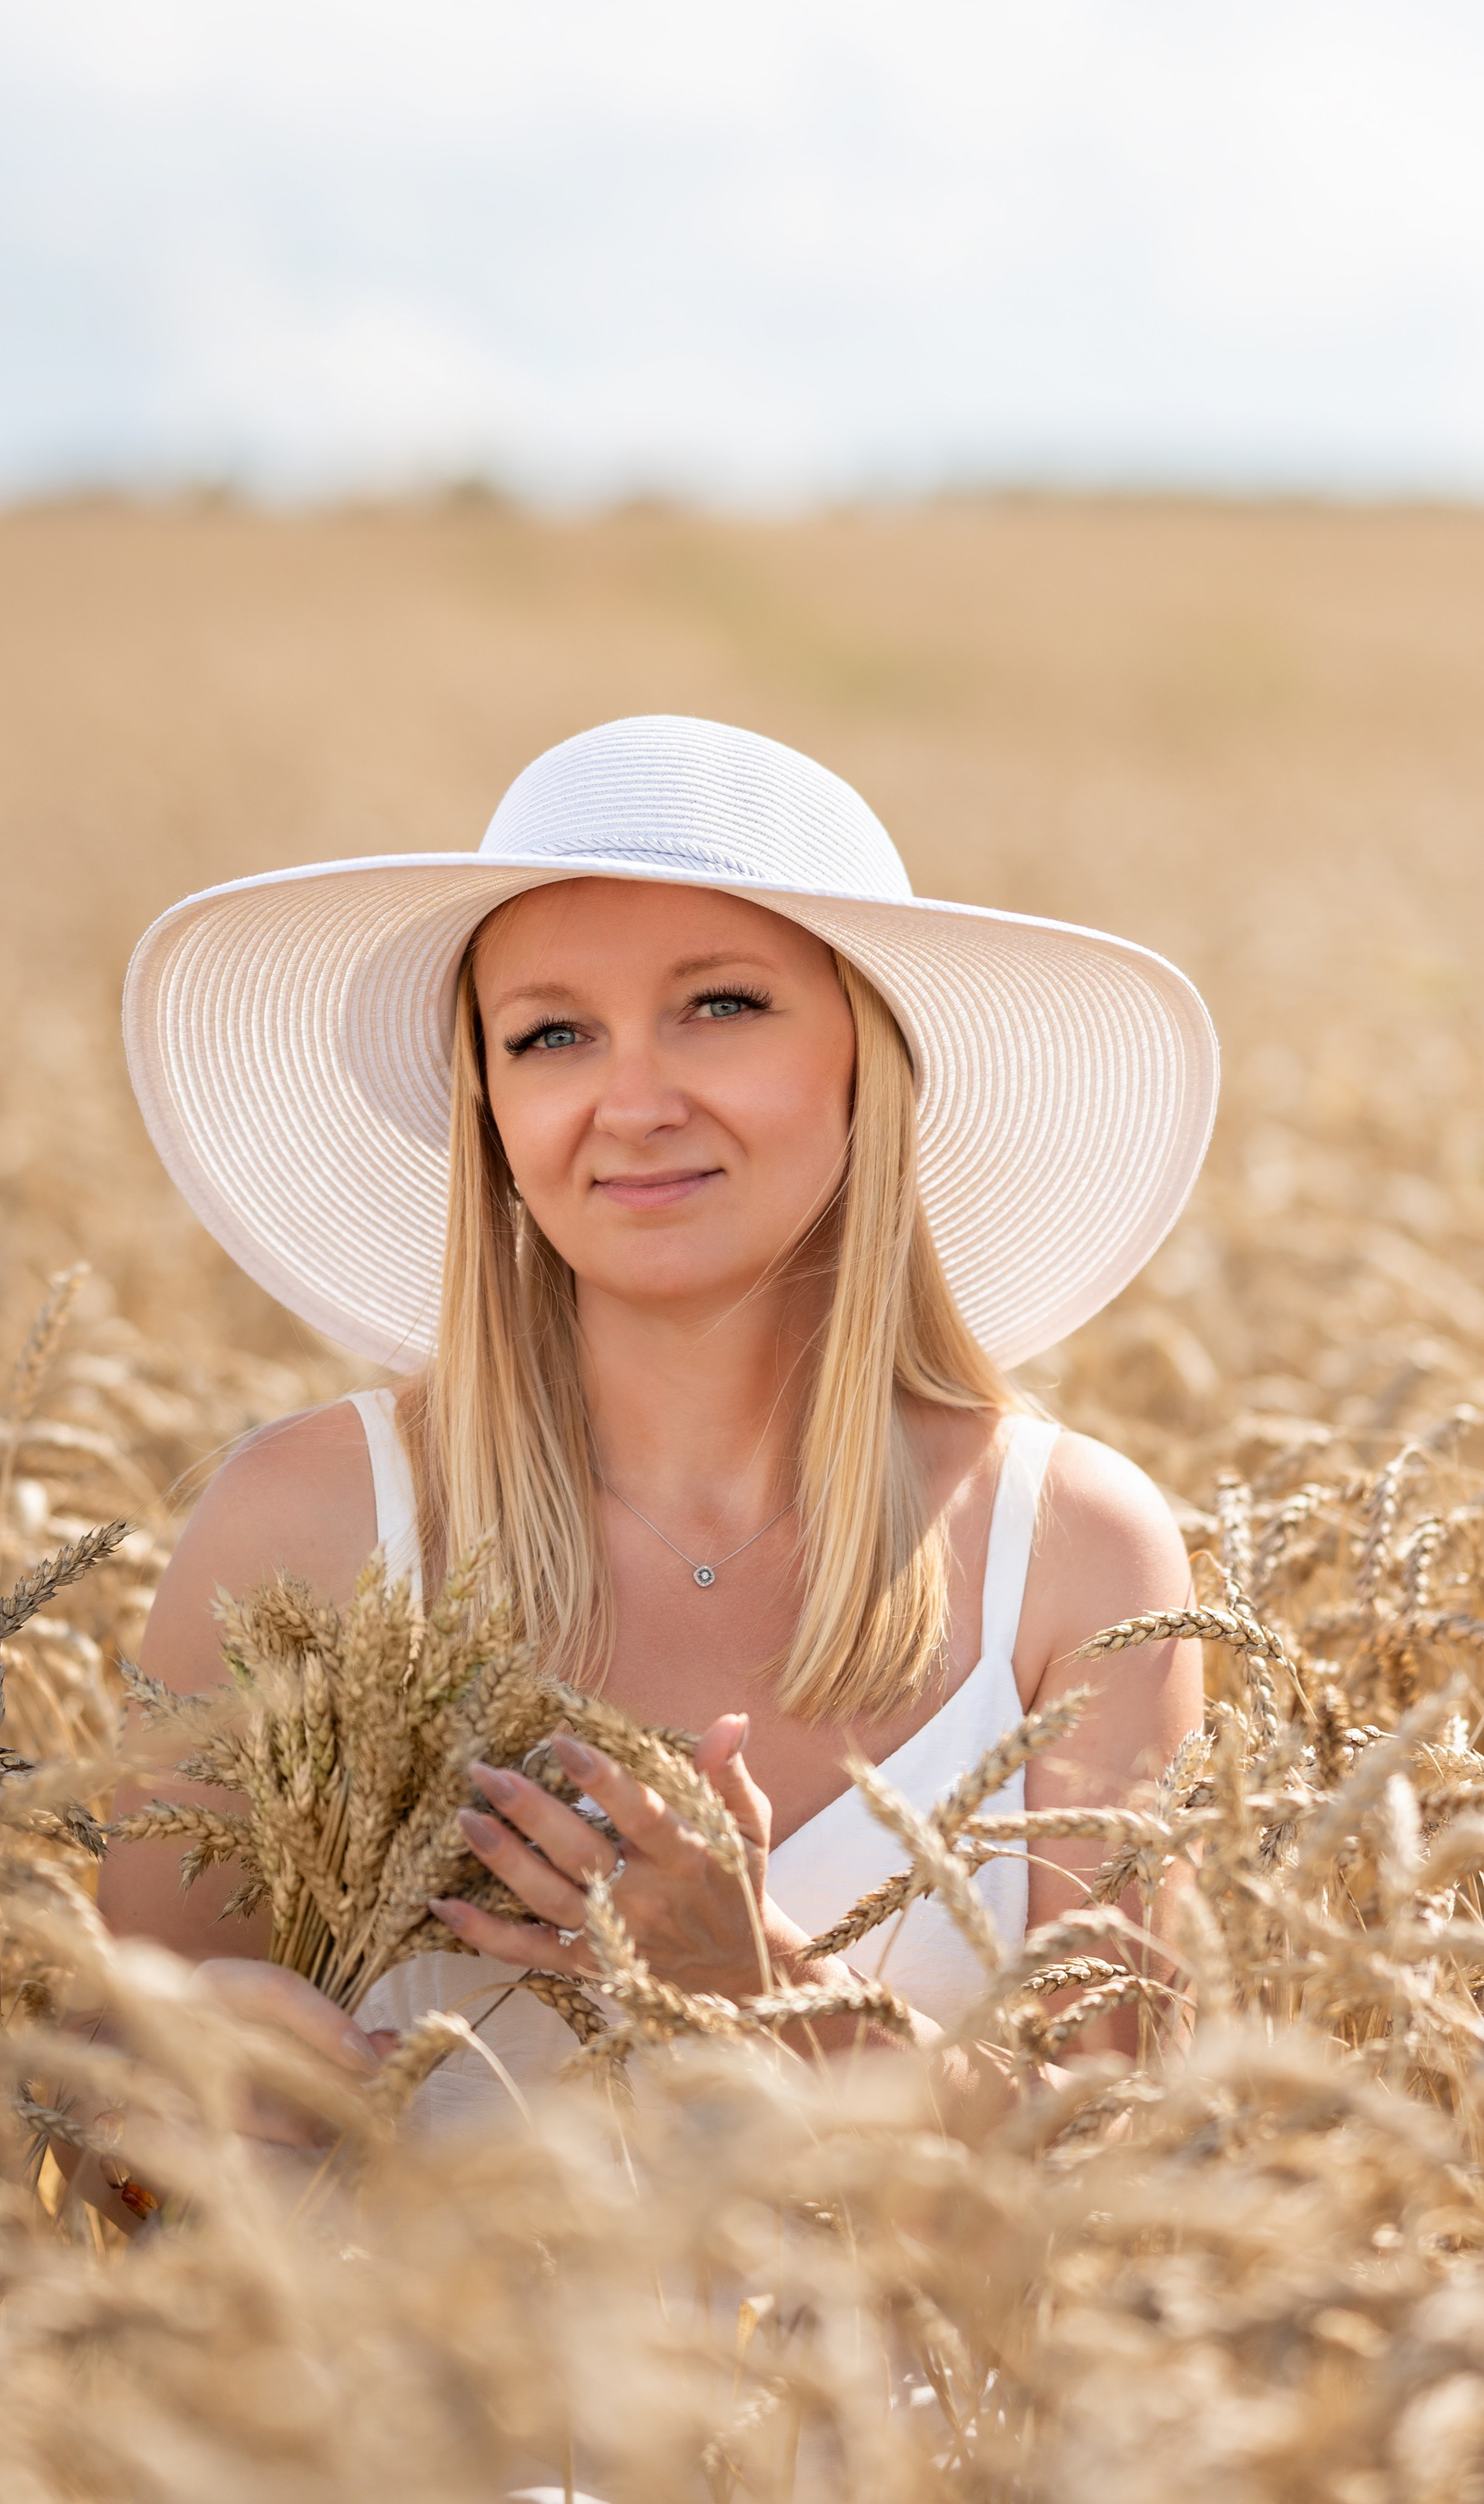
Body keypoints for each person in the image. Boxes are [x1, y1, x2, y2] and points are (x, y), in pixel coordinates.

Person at [100, 713, 1214, 2158]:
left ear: (868, 1064)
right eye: (550, 1033)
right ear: (490, 1110)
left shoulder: (1073, 1554)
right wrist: (195, 2083)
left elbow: (1116, 2187)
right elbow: (97, 2144)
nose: (632, 1101)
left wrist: (763, 1990)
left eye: (721, 1005)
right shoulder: (302, 1527)